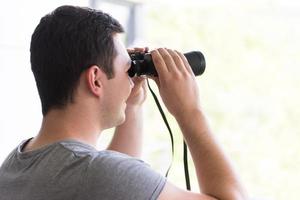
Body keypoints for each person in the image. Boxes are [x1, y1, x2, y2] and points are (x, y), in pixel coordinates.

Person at [0, 5, 247, 200]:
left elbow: (110, 183)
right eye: (128, 70)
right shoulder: (100, 174)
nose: (131, 81)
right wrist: (189, 111)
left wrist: (132, 106)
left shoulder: (16, 165)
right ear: (96, 79)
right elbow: (110, 176)